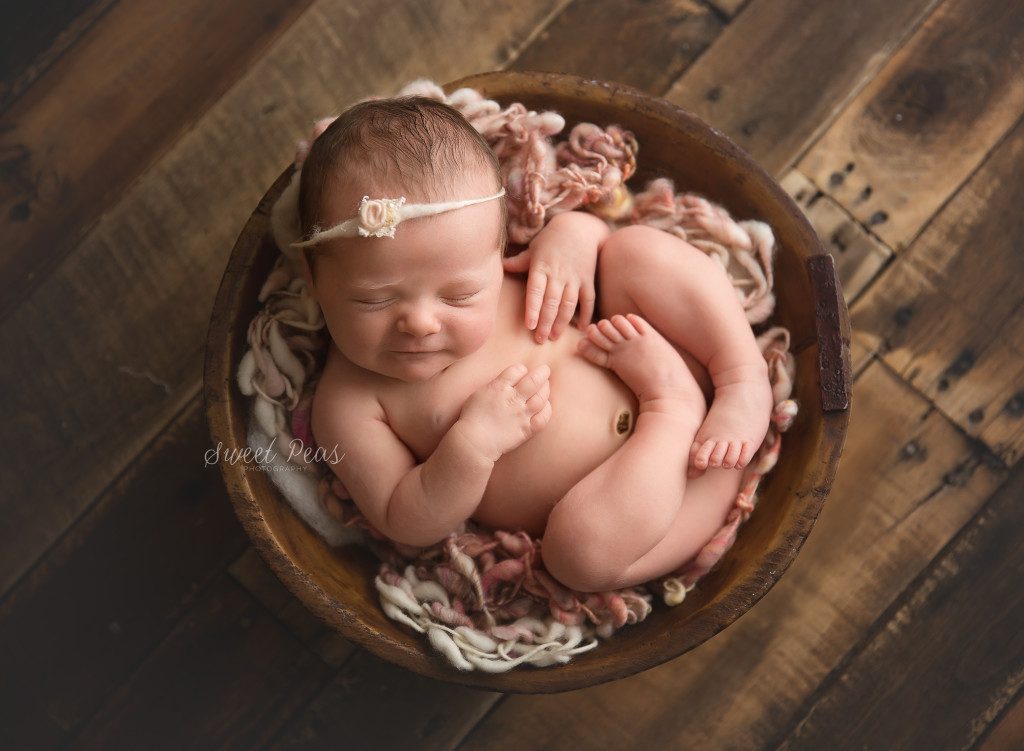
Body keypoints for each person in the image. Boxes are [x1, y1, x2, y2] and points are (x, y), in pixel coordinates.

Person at [293, 95, 773, 593]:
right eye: (375, 301)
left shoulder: (497, 258)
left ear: (497, 251)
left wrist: (574, 235)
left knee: (632, 251)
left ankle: (741, 375)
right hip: (655, 505)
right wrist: (471, 445)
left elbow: (593, 234)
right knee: (578, 557)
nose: (419, 322)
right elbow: (402, 517)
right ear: (314, 278)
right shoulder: (348, 404)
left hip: (689, 376)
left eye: (460, 295)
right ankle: (676, 409)